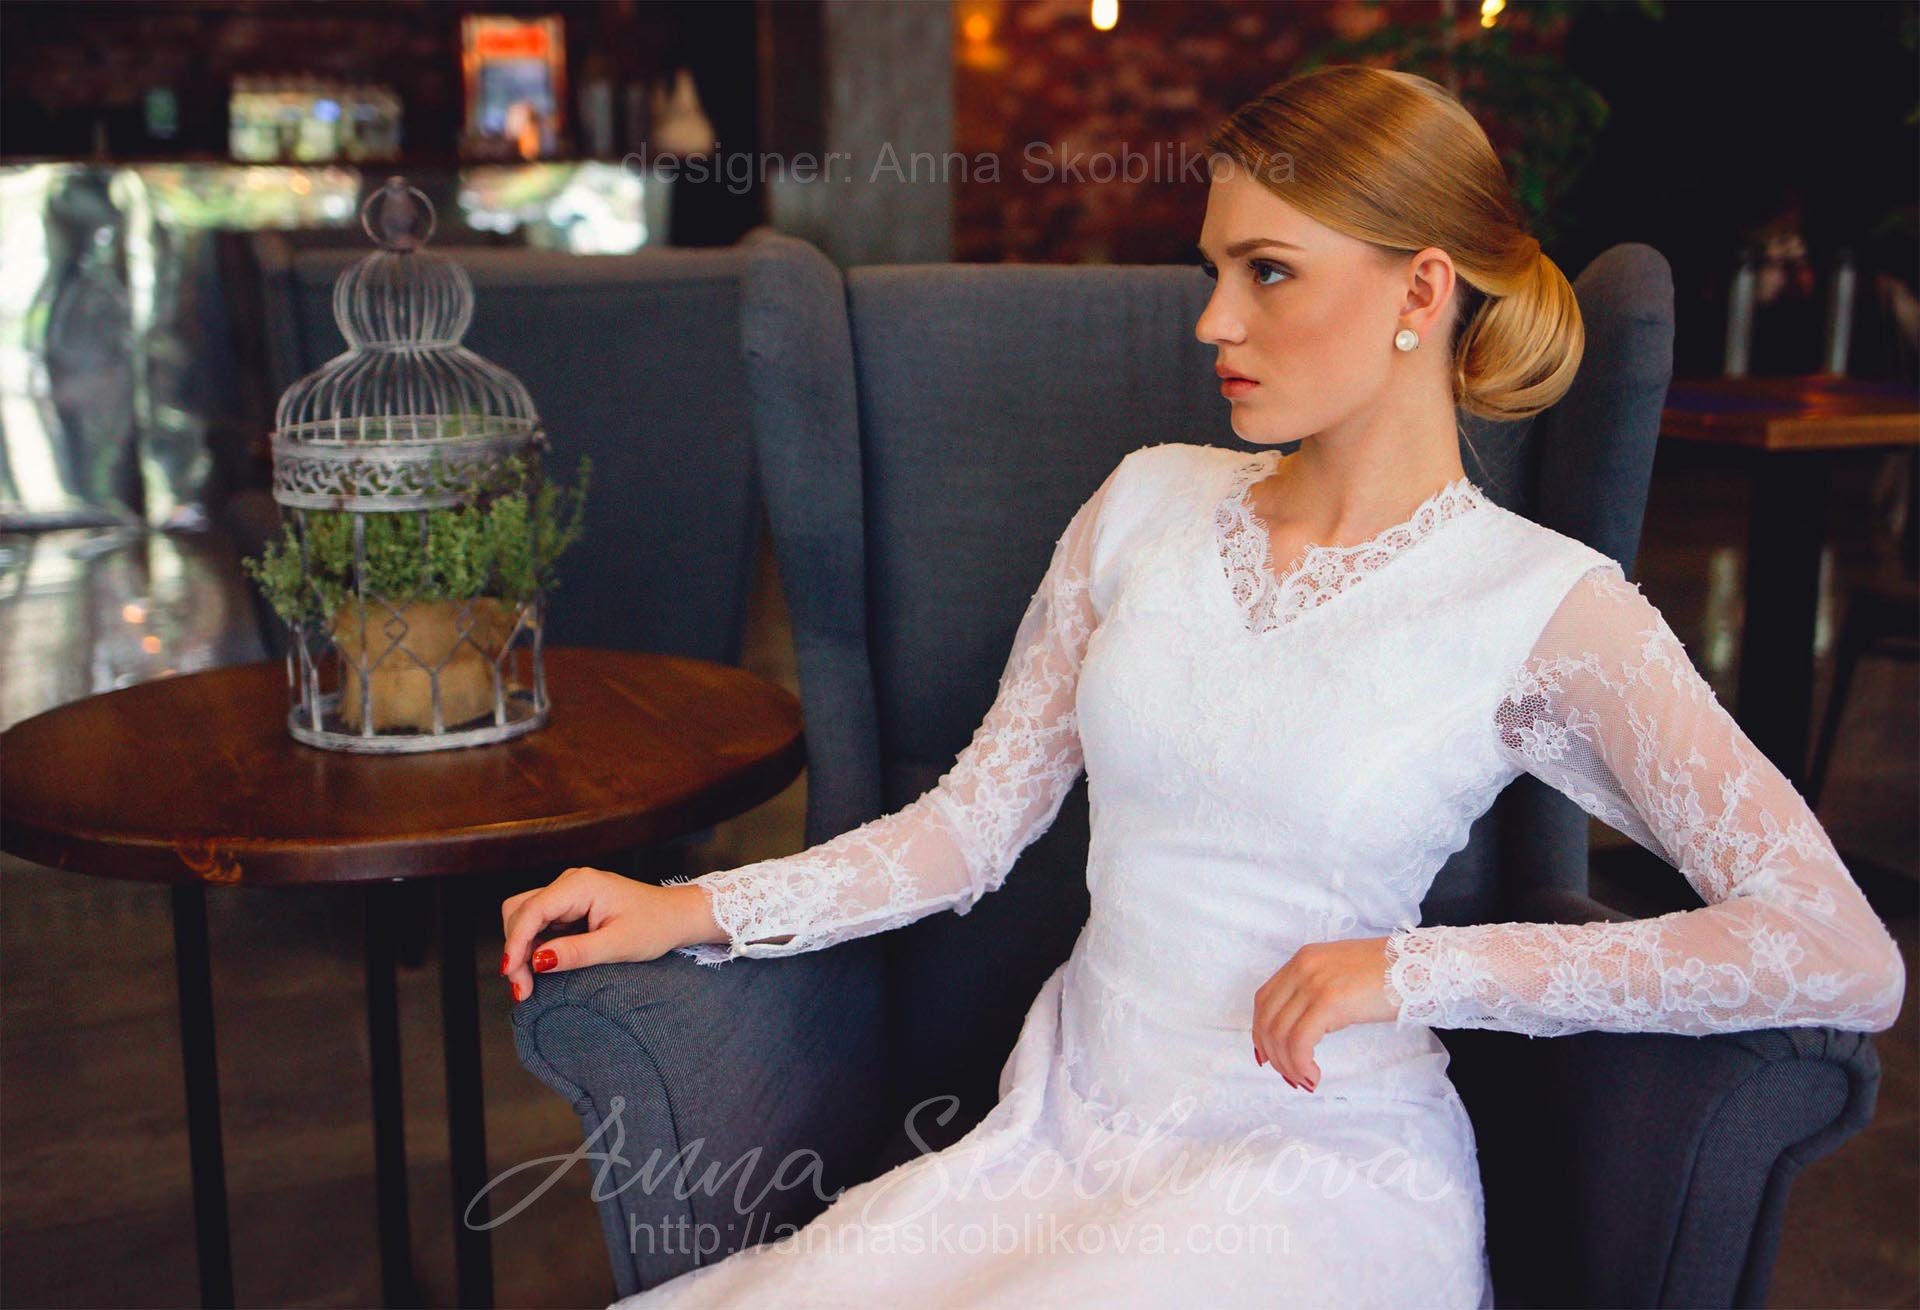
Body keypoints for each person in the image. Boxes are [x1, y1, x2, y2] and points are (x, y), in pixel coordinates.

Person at [500, 66, 1907, 1308]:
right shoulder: (1144, 505)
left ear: (1422, 290)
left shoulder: (1544, 604)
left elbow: (1839, 948)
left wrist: (1413, 969)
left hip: (1321, 1172)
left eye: (1268, 271)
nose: (1213, 320)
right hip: (1064, 1129)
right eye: (1213, 269)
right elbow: (968, 828)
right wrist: (689, 907)